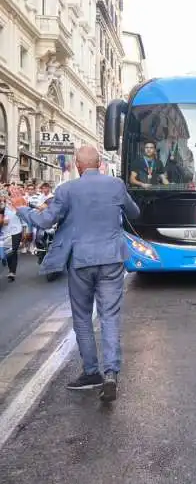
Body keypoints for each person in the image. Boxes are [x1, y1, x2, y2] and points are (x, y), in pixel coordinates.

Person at [11, 146, 140, 403]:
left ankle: (91, 372)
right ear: (100, 162)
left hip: (81, 260)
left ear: (77, 166)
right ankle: (111, 373)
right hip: (112, 258)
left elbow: (45, 221)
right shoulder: (115, 185)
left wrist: (22, 207)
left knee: (82, 317)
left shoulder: (67, 190)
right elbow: (134, 213)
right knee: (109, 316)